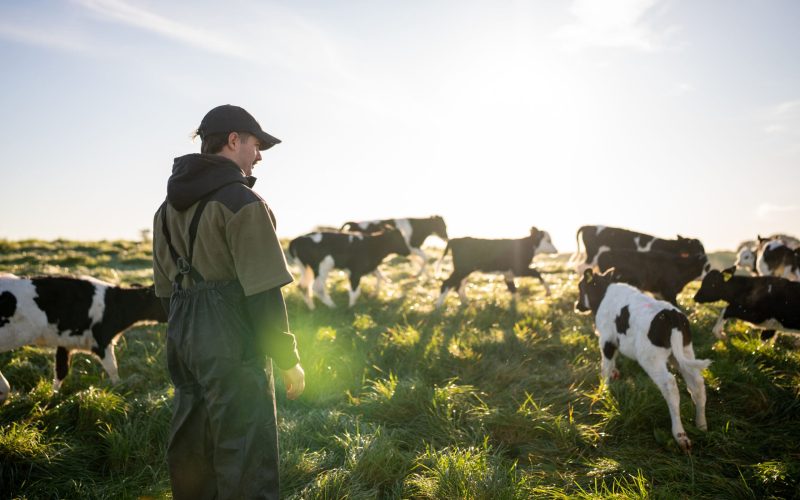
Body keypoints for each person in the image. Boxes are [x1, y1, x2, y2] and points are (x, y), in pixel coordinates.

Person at [152, 104, 305, 499]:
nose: (258, 156)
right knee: (246, 452)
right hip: (232, 338)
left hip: (182, 338)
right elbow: (264, 293)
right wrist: (288, 360)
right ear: (233, 139)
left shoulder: (164, 211)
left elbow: (165, 292)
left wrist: (187, 333)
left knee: (193, 450)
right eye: (256, 145)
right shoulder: (243, 203)